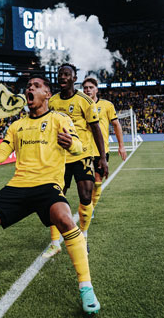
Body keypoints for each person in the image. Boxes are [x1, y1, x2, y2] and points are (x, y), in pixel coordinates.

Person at [0, 75, 101, 314]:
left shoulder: (59, 118)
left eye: (36, 86)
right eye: (28, 87)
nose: (29, 89)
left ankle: (86, 287)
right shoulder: (16, 125)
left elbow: (77, 146)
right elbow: (0, 154)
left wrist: (70, 144)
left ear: (47, 94)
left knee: (65, 219)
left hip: (47, 186)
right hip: (19, 186)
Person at [43, 64, 107, 258]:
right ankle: (55, 242)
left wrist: (102, 158)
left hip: (82, 155)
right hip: (59, 158)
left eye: (66, 74)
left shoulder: (84, 101)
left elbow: (96, 129)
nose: (62, 77)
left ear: (74, 78)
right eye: (60, 74)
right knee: (54, 199)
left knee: (86, 196)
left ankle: (83, 235)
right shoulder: (52, 101)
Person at [82, 76, 127, 207]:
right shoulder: (80, 104)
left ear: (96, 89)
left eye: (91, 87)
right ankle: (87, 206)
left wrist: (121, 146)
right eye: (85, 88)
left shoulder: (107, 105)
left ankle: (91, 207)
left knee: (97, 182)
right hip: (83, 150)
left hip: (100, 150)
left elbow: (116, 125)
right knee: (85, 182)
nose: (88, 90)